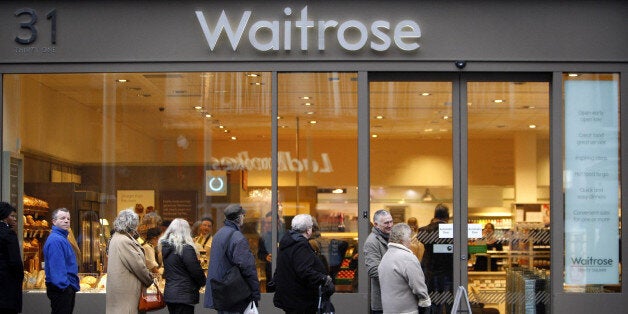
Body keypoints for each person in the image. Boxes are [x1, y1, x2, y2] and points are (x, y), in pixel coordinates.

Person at [273, 214, 335, 314]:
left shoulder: (288, 242)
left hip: (290, 297)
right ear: (308, 230)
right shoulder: (300, 245)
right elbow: (304, 270)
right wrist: (323, 278)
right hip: (300, 299)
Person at [204, 204, 260, 313]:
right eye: (242, 215)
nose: (244, 217)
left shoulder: (218, 234)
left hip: (222, 291)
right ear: (238, 218)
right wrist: (255, 293)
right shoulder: (237, 237)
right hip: (234, 293)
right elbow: (247, 267)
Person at [106, 209, 154, 314]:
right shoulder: (125, 241)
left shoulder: (116, 238)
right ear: (132, 225)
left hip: (120, 295)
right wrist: (149, 278)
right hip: (127, 296)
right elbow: (138, 267)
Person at [378, 223, 431, 314]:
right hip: (407, 311)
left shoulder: (386, 256)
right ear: (403, 239)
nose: (411, 240)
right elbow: (418, 287)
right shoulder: (407, 258)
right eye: (410, 237)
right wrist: (425, 301)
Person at [160, 218, 206, 314]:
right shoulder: (186, 248)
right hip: (184, 295)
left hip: (170, 293)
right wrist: (202, 282)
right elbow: (195, 270)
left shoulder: (166, 248)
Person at [417, 203, 453, 314]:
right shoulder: (452, 231)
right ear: (447, 217)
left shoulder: (423, 230)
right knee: (449, 304)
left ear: (434, 215)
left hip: (429, 273)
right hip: (448, 273)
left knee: (432, 304)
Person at [43, 208, 80, 314]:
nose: (66, 221)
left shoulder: (62, 238)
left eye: (68, 218)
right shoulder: (56, 240)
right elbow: (57, 267)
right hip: (61, 289)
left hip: (64, 288)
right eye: (62, 218)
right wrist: (65, 287)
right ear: (54, 221)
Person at [364, 209, 394, 314]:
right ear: (376, 224)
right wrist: (398, 276)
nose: (390, 225)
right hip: (382, 303)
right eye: (386, 223)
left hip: (394, 300)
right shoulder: (372, 242)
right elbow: (373, 271)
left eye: (391, 221)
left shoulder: (392, 237)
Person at [0, 202, 24, 314]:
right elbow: (15, 262)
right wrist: (20, 278)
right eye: (12, 216)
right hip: (7, 287)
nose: (15, 219)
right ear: (4, 217)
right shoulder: (8, 235)